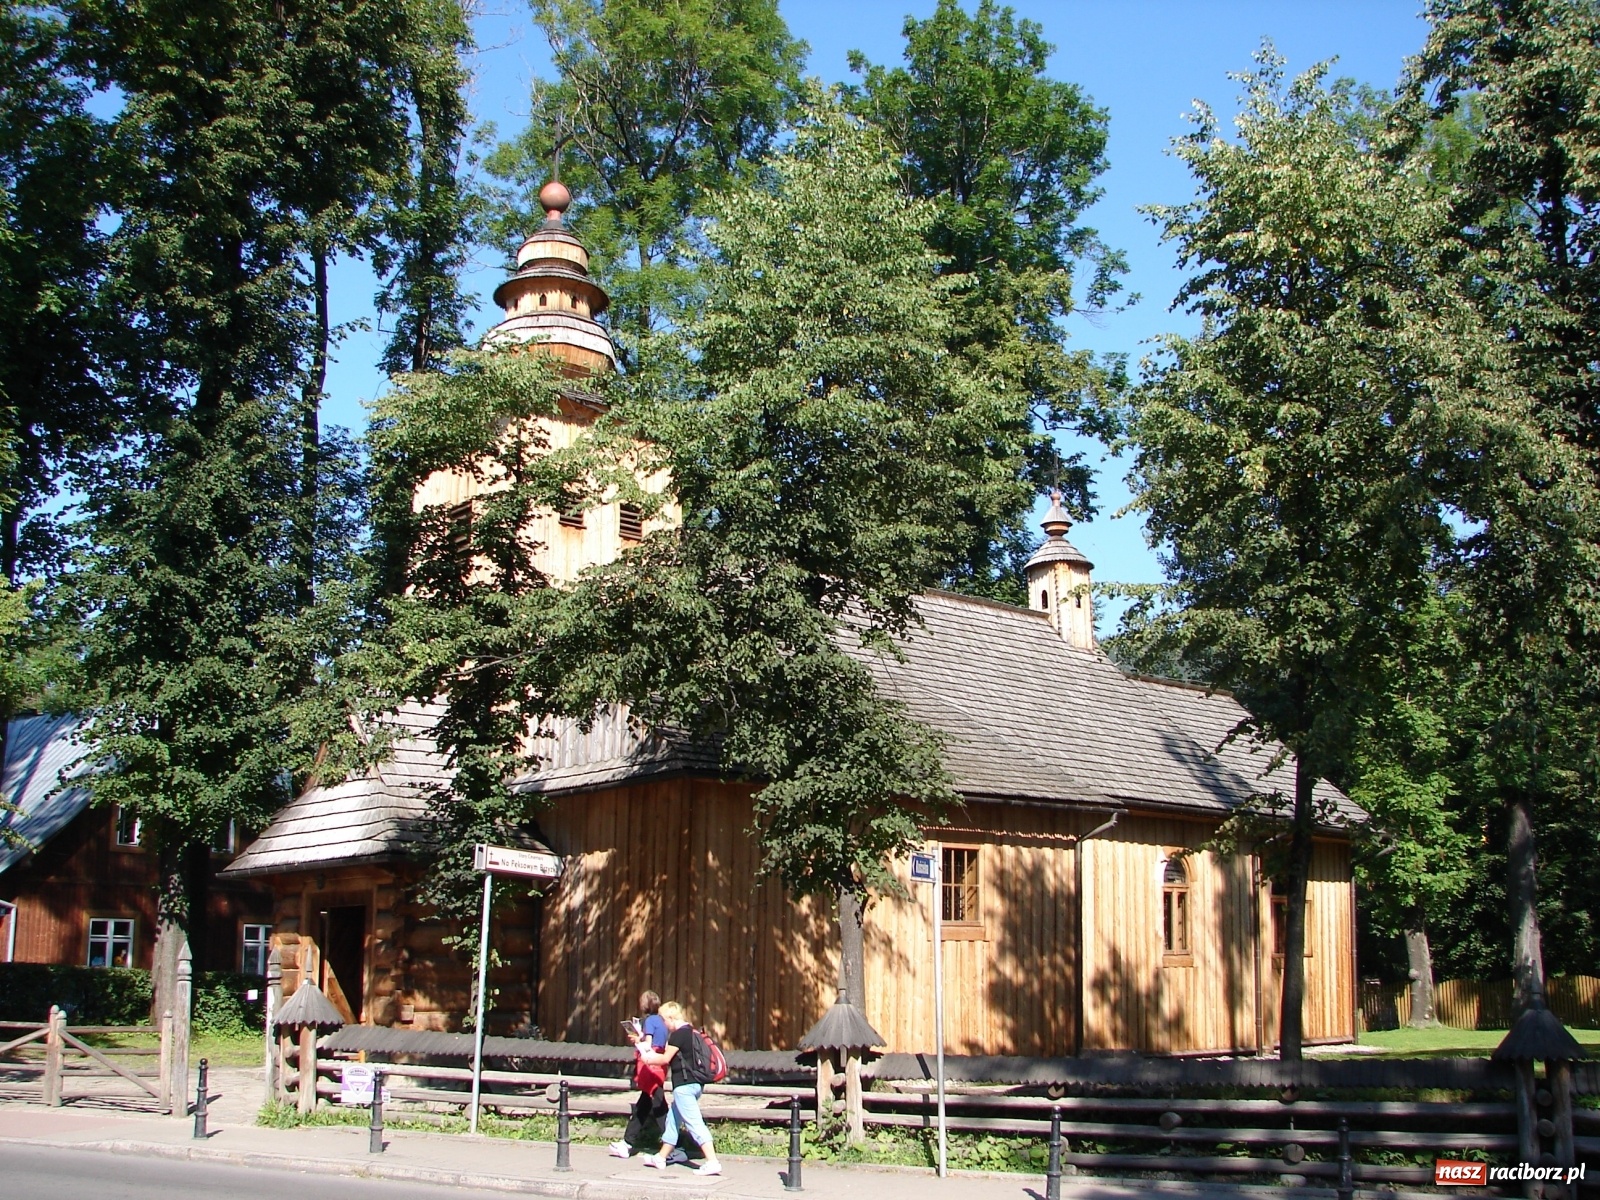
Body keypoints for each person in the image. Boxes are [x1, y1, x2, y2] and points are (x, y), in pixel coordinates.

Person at [635, 1000, 721, 1176]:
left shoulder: (677, 1035)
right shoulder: (691, 1032)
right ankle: (661, 1157)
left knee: (694, 1123)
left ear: (671, 1017)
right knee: (673, 1121)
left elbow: (665, 1059)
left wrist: (647, 1058)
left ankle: (712, 1161)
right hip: (695, 1084)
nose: (663, 1025)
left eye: (663, 1021)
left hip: (684, 1086)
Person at [610, 991, 670, 1158]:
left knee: (659, 1105)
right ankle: (627, 1142)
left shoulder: (650, 1021)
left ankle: (673, 1145)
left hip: (650, 1065)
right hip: (659, 1064)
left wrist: (638, 1040)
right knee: (644, 1106)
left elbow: (648, 1045)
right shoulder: (662, 1021)